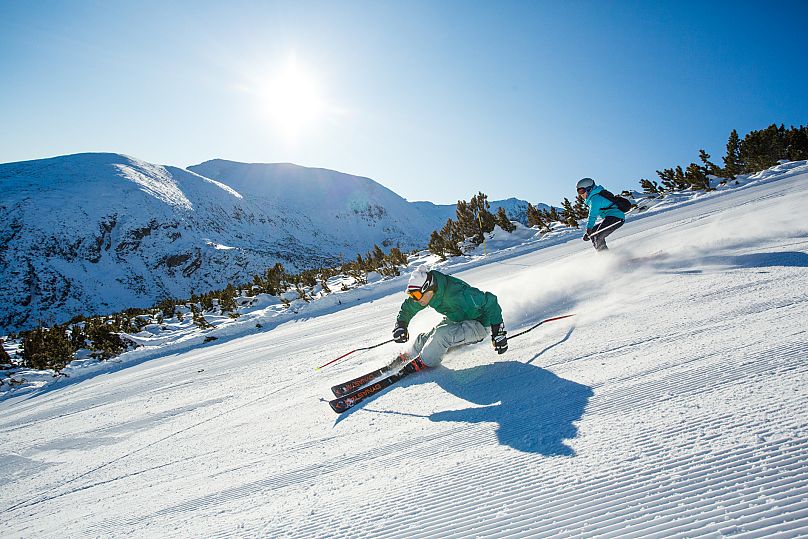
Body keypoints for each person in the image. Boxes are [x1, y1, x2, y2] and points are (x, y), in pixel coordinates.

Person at [392, 266, 507, 369]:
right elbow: (409, 307)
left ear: (428, 287)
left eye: (416, 295)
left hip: (478, 325)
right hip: (456, 319)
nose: (416, 299)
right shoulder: (427, 294)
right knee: (427, 337)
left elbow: (491, 302)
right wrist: (401, 324)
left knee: (440, 336)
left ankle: (425, 361)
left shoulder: (460, 293)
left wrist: (498, 333)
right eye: (412, 295)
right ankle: (410, 354)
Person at [577, 177, 626, 251]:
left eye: (581, 191)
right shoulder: (596, 196)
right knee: (594, 234)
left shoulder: (595, 199)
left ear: (589, 189)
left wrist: (589, 229)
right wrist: (589, 233)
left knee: (597, 235)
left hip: (616, 218)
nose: (580, 194)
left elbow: (592, 215)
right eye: (578, 192)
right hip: (613, 217)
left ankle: (606, 257)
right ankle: (604, 255)